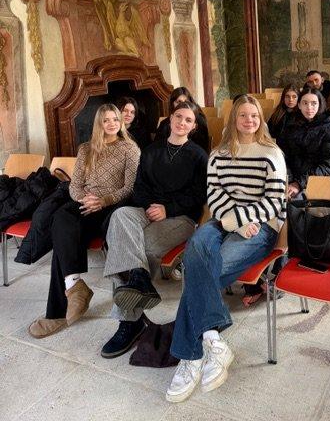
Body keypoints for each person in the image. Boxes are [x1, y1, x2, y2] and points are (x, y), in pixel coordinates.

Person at [166, 95, 287, 403]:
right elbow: (215, 195)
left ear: (260, 119)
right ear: (234, 119)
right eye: (243, 115)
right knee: (196, 248)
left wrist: (242, 221)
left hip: (261, 226)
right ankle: (213, 340)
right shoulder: (219, 154)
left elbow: (275, 201)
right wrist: (234, 223)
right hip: (224, 220)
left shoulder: (272, 153)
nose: (249, 120)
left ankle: (189, 357)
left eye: (254, 115)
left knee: (204, 270)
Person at [100, 101, 208, 359]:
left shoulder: (198, 156)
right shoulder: (150, 151)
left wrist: (167, 209)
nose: (182, 123)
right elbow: (139, 187)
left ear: (193, 127)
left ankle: (129, 323)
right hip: (147, 211)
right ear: (170, 119)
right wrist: (151, 206)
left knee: (133, 248)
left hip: (180, 218)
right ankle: (139, 278)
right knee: (120, 216)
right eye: (178, 117)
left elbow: (200, 195)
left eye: (188, 120)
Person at [28, 104, 140, 339]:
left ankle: (57, 312)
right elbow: (75, 185)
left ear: (120, 122)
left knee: (63, 241)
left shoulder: (130, 148)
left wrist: (103, 200)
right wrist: (85, 199)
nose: (112, 123)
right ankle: (74, 285)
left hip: (112, 206)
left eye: (115, 119)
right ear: (99, 123)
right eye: (106, 120)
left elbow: (130, 187)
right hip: (86, 202)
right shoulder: (86, 149)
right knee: (61, 218)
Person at [278, 87, 330, 199]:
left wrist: (299, 184)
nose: (309, 107)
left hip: (319, 183)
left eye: (314, 103)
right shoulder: (291, 127)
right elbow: (283, 157)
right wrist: (290, 181)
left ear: (320, 105)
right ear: (299, 105)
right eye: (305, 103)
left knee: (294, 203)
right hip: (292, 182)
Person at [155, 86, 209, 153]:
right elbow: (156, 147)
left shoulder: (199, 121)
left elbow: (202, 148)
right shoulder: (164, 123)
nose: (183, 105)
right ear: (172, 104)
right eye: (179, 102)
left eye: (186, 101)